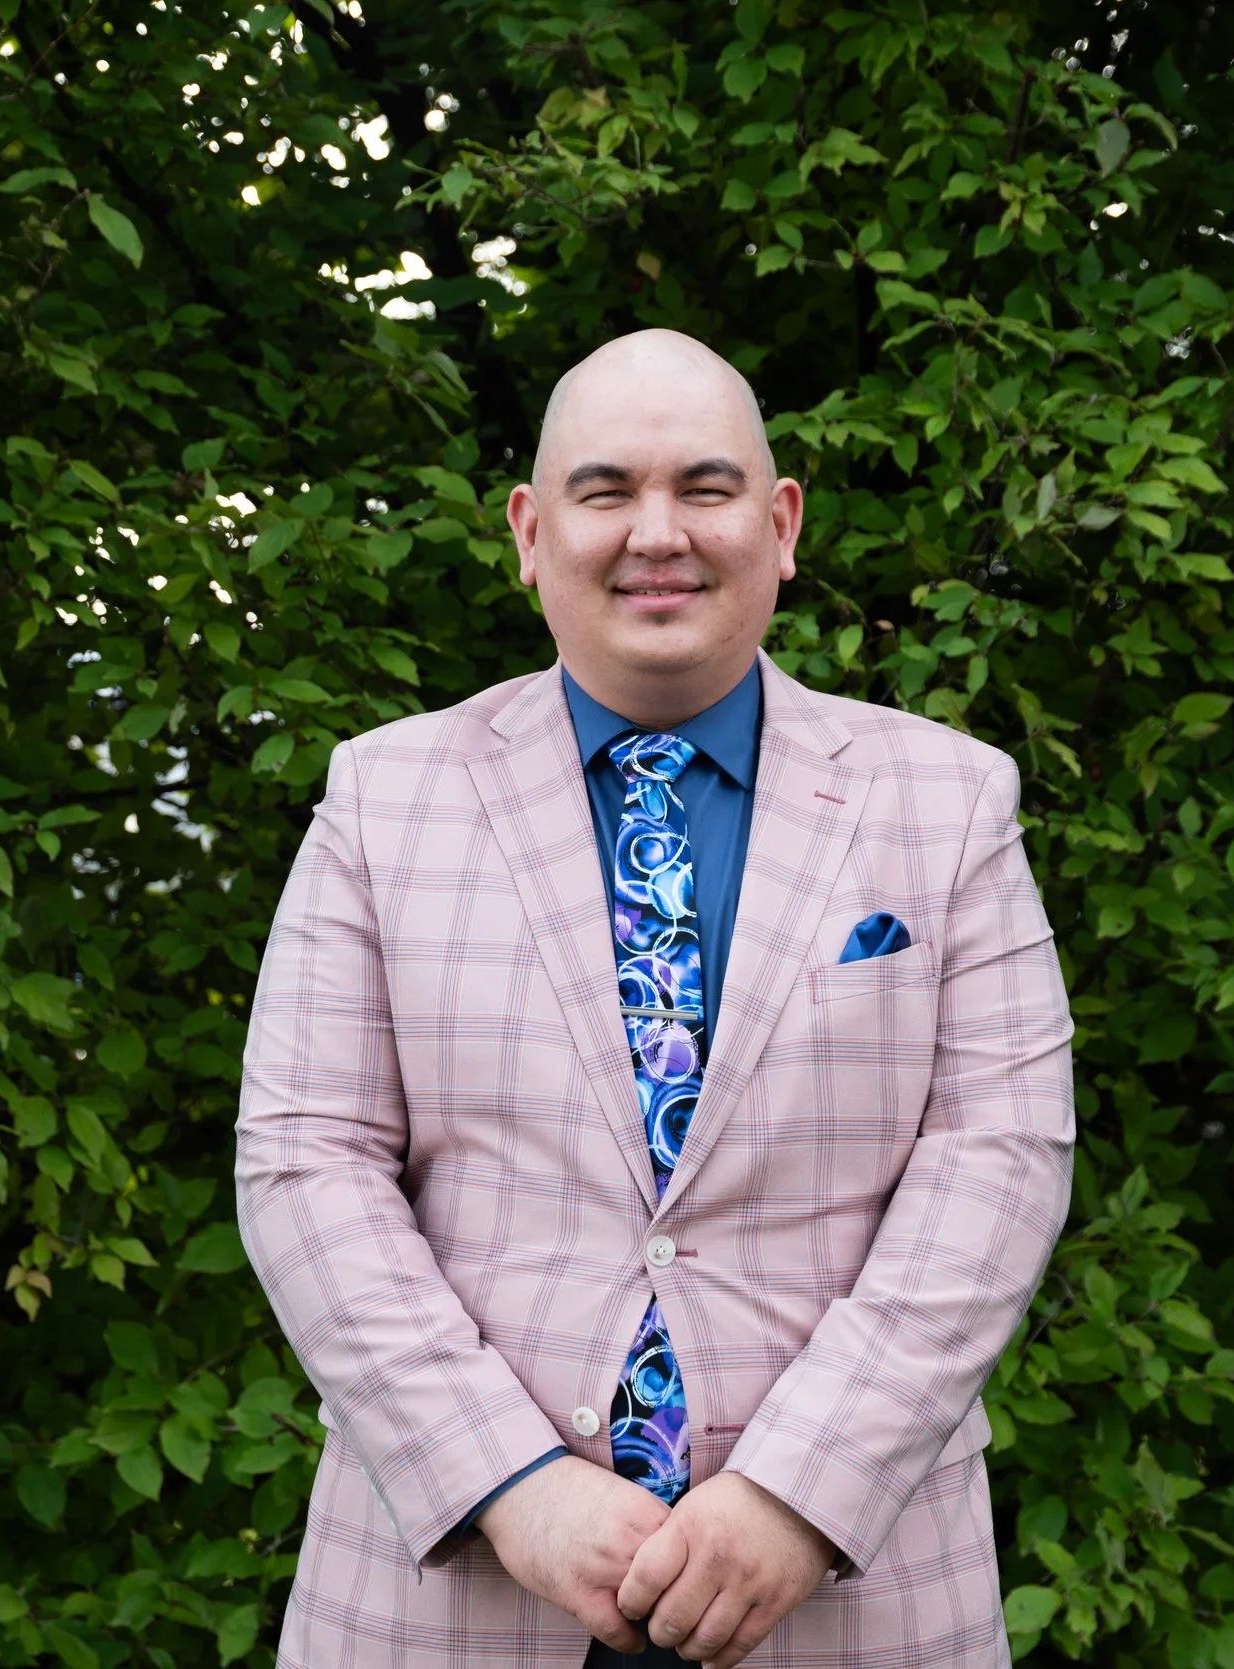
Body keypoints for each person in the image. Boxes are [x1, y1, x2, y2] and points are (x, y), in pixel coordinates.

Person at [235, 329, 1074, 1667]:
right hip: (454, 1597)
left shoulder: (944, 805)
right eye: (607, 490)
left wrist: (802, 1494)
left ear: (782, 522)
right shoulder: (385, 800)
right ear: (529, 531)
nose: (658, 534)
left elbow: (1000, 1162)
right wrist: (510, 1484)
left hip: (850, 1596)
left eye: (707, 487)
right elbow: (304, 1160)